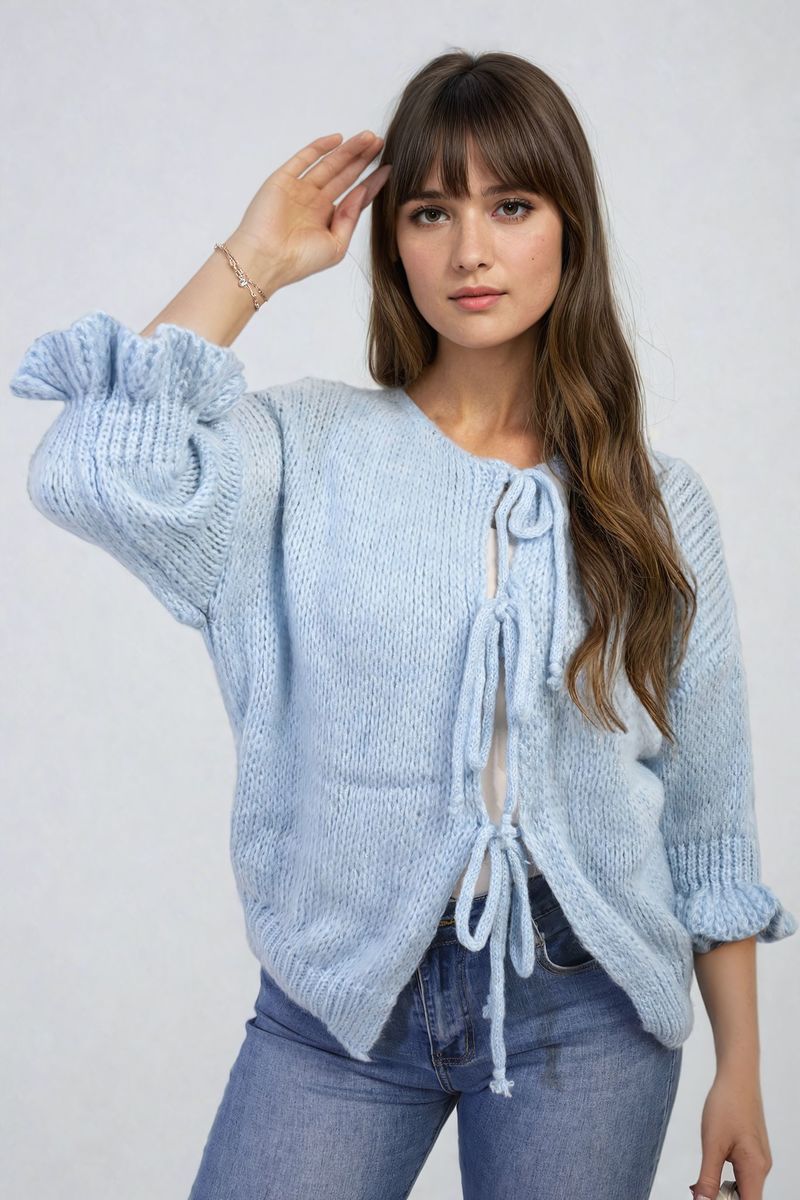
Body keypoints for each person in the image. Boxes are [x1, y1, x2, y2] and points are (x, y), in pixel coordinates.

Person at [10, 49, 795, 1200]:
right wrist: (253, 261)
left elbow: (704, 817)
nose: (469, 249)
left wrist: (740, 1070)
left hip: (585, 1008)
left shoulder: (655, 504)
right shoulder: (300, 449)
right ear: (393, 243)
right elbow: (90, 470)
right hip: (338, 1004)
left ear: (568, 230)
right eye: (430, 211)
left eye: (510, 206)